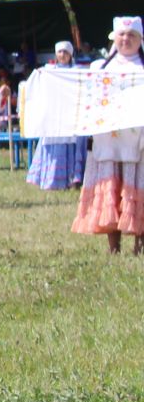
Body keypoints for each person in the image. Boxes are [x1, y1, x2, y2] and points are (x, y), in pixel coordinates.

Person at [72, 16, 144, 254]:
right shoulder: (100, 69)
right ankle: (114, 247)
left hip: (138, 141)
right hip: (109, 141)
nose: (126, 39)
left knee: (137, 187)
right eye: (122, 35)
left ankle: (139, 245)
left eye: (132, 35)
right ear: (115, 38)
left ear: (140, 40)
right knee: (112, 191)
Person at [27, 40, 89, 191]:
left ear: (71, 54)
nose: (62, 55)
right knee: (53, 141)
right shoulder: (49, 71)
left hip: (71, 114)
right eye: (60, 52)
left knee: (73, 141)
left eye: (66, 52)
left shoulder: (77, 71)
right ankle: (51, 179)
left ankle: (74, 179)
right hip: (54, 115)